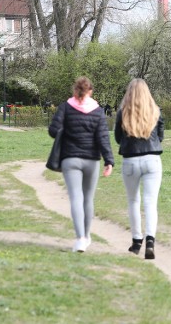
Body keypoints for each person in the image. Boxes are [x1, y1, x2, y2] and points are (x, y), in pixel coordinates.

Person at [48, 76, 114, 253]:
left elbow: (53, 131)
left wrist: (66, 129)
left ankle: (80, 239)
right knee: (88, 199)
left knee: (76, 198)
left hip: (70, 159)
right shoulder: (98, 110)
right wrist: (109, 160)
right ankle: (87, 235)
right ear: (90, 91)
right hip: (92, 160)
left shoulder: (65, 107)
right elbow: (103, 137)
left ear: (74, 90)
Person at [114, 79, 164, 260]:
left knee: (133, 201)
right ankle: (150, 241)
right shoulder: (156, 112)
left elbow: (118, 139)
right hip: (152, 160)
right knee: (150, 202)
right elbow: (160, 136)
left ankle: (136, 242)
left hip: (130, 160)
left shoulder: (123, 113)